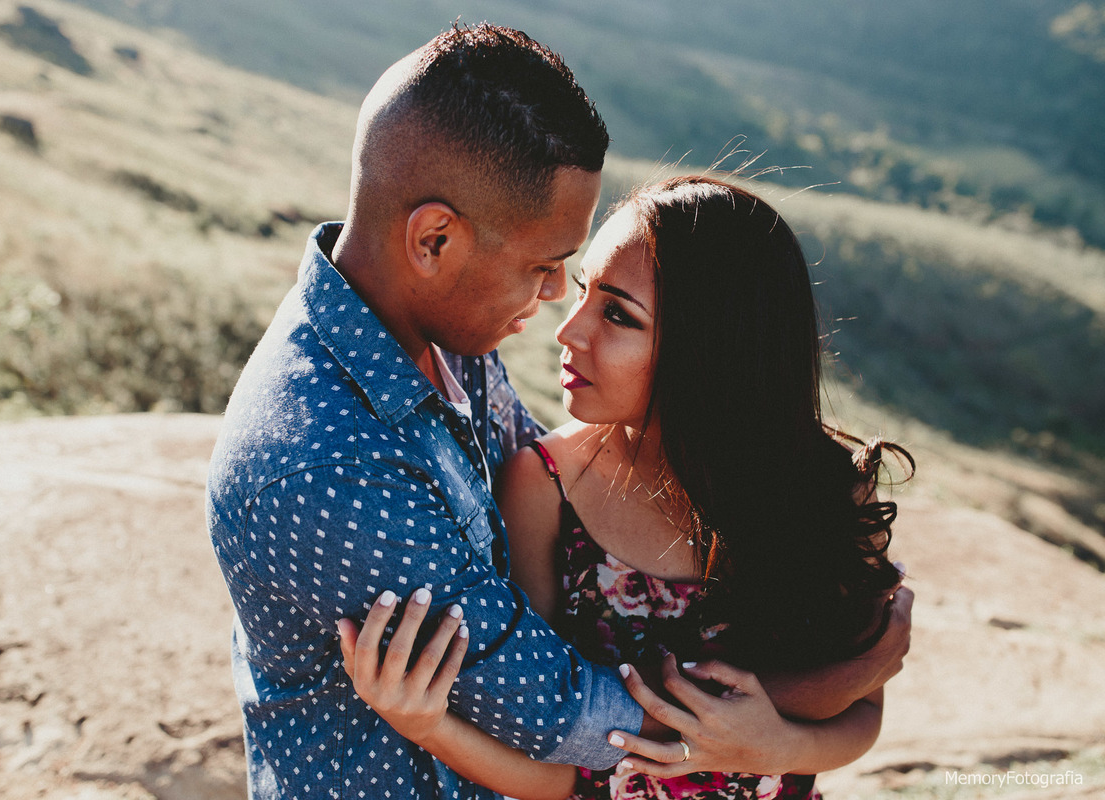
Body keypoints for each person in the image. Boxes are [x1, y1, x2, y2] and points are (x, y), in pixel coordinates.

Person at [208, 22, 911, 800]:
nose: (552, 305)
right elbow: (554, 711)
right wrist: (845, 678)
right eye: (545, 270)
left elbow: (569, 477)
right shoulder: (330, 469)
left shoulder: (441, 335)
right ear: (434, 239)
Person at [338, 175, 915, 799]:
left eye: (617, 314)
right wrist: (425, 725)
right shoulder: (545, 488)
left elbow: (862, 714)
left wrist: (780, 745)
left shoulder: (825, 493)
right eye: (584, 292)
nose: (569, 331)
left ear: (711, 349)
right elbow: (548, 759)